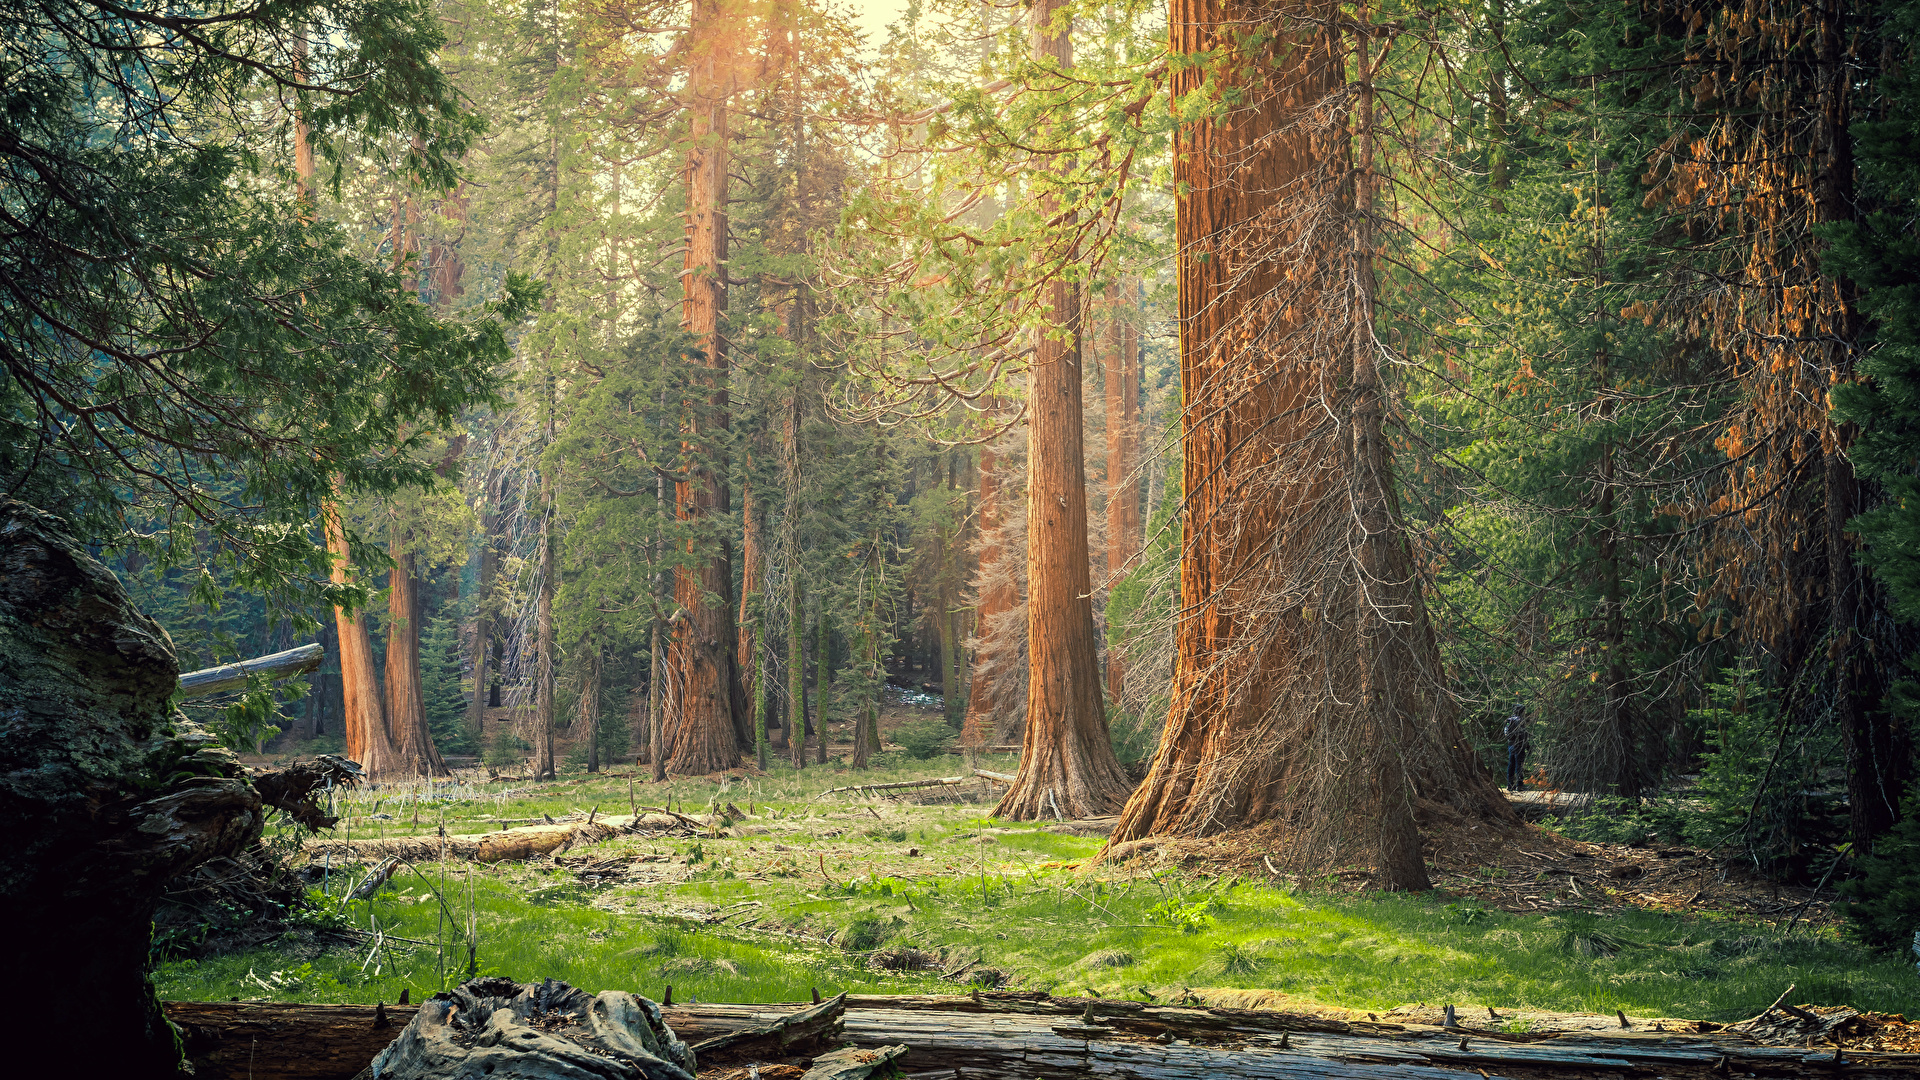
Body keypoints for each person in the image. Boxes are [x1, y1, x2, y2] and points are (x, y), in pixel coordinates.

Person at [1504, 704, 1531, 792]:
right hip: (1519, 745)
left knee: (1511, 764)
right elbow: (1523, 735)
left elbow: (1505, 732)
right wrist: (1527, 746)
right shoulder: (1520, 721)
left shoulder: (1509, 720)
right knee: (1519, 765)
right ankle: (1520, 785)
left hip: (1511, 744)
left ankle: (1510, 785)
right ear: (1521, 711)